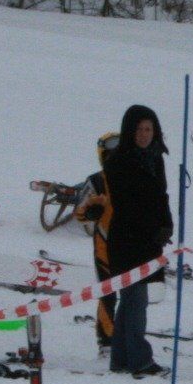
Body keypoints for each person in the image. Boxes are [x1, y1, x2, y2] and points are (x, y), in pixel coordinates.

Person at [102, 107, 172, 378]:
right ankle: (139, 359)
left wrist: (166, 225)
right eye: (139, 129)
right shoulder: (118, 161)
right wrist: (152, 228)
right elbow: (128, 204)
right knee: (135, 300)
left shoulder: (155, 158)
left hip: (149, 239)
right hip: (128, 240)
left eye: (148, 129)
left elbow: (161, 196)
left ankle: (121, 358)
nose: (144, 135)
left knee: (131, 300)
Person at [74, 131, 121, 355]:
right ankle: (107, 340)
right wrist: (91, 211)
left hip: (133, 245)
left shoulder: (137, 178)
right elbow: (80, 211)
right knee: (108, 293)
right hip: (105, 245)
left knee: (133, 295)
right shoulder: (96, 181)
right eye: (111, 156)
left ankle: (129, 336)